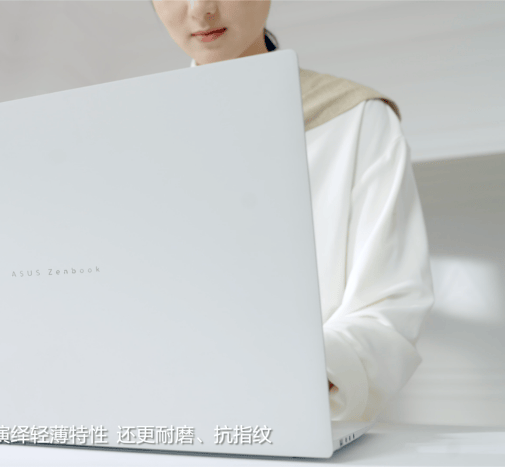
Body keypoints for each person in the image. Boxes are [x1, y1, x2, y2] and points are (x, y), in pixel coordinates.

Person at [152, 0, 435, 422]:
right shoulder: (141, 131)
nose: (201, 10)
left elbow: (392, 303)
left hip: (298, 419)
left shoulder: (356, 120)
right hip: (156, 416)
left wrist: (287, 377)